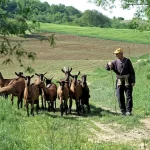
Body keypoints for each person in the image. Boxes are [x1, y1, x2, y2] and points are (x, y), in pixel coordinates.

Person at [106, 48, 135, 116]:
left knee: (128, 96)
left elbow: (132, 71)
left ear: (121, 54)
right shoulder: (114, 62)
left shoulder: (127, 61)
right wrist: (108, 64)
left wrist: (133, 81)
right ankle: (123, 111)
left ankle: (128, 111)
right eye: (115, 54)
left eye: (117, 54)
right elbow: (107, 68)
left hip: (128, 80)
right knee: (119, 96)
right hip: (119, 81)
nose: (116, 55)